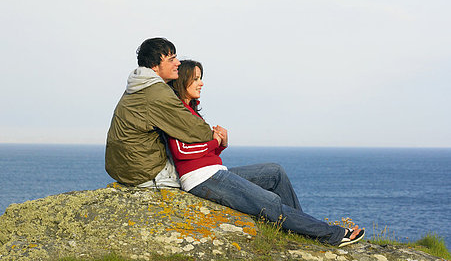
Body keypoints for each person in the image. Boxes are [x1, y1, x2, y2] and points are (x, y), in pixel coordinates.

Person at [167, 60, 365, 248]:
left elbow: (203, 152)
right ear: (183, 80)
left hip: (213, 170)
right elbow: (182, 151)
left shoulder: (190, 111)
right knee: (270, 203)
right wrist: (214, 141)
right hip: (201, 178)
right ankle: (332, 234)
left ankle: (301, 229)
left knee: (274, 172)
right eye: (196, 78)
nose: (201, 83)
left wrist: (221, 144)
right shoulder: (176, 111)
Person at [105, 38, 214, 188]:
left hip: (124, 167)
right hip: (145, 172)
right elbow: (196, 130)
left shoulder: (138, 84)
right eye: (171, 59)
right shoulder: (156, 92)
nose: (178, 63)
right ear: (155, 66)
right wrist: (216, 137)